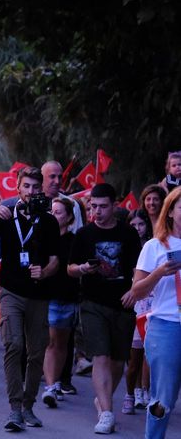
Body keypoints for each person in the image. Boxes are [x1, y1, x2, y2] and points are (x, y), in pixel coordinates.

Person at [0, 166, 59, 431]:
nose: (31, 192)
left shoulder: (49, 220)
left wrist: (44, 271)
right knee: (13, 345)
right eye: (27, 187)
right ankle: (14, 409)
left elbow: (56, 260)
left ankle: (28, 406)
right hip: (10, 290)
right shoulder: (4, 215)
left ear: (41, 189)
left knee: (35, 352)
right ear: (18, 188)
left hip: (39, 293)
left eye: (36, 187)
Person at [67, 183, 140, 434]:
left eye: (102, 206)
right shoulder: (84, 234)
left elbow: (136, 270)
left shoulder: (128, 234)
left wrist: (135, 290)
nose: (97, 211)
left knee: (119, 361)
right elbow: (70, 268)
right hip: (92, 302)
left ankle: (103, 398)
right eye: (93, 206)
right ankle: (107, 413)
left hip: (123, 303)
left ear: (114, 205)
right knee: (100, 355)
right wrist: (83, 269)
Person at [127, 186, 181, 439]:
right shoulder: (154, 246)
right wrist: (160, 272)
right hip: (166, 325)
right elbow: (136, 292)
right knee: (164, 398)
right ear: (170, 212)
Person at [40, 197, 78, 408]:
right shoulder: (45, 238)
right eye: (52, 211)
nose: (54, 216)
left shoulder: (74, 240)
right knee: (51, 342)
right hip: (49, 295)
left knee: (62, 343)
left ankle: (57, 382)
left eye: (59, 212)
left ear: (69, 217)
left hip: (69, 296)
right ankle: (51, 386)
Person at [124, 208, 153, 414]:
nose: (137, 229)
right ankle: (130, 393)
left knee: (149, 355)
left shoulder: (153, 246)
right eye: (133, 225)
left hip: (152, 305)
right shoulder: (127, 247)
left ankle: (145, 391)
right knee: (134, 358)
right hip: (134, 306)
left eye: (141, 224)